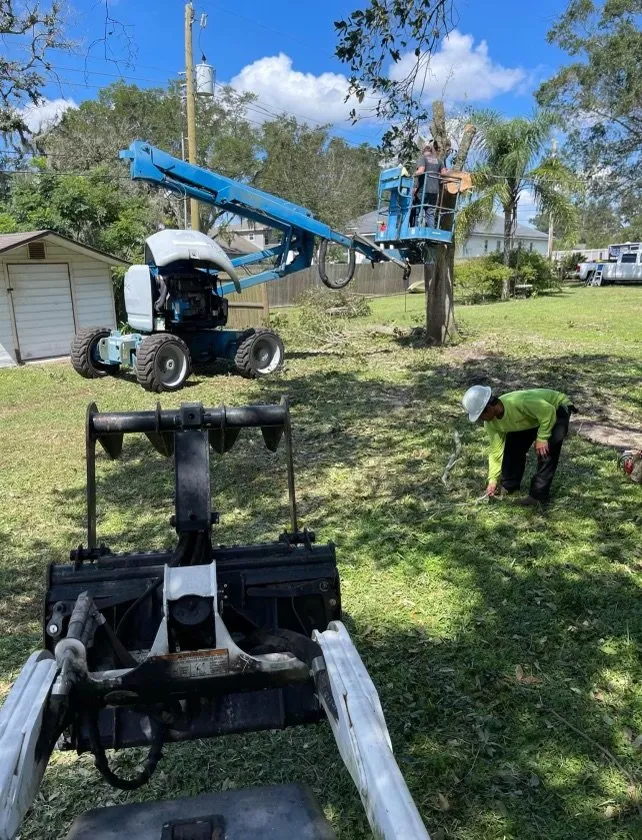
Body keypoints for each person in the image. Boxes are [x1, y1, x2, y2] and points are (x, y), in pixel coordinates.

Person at [462, 385, 575, 506]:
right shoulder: (490, 424)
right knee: (513, 446)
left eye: (480, 416)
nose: (481, 420)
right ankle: (510, 485)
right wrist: (493, 480)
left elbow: (548, 411)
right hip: (533, 417)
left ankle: (538, 496)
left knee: (546, 450)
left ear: (489, 407)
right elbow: (496, 451)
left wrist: (542, 438)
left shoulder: (519, 402)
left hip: (556, 407)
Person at [411, 143, 446, 229]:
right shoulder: (439, 160)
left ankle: (414, 230)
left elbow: (421, 170)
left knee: (416, 210)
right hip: (435, 191)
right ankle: (431, 231)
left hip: (424, 189)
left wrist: (412, 174)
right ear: (431, 151)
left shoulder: (422, 158)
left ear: (423, 151)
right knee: (430, 212)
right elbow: (444, 174)